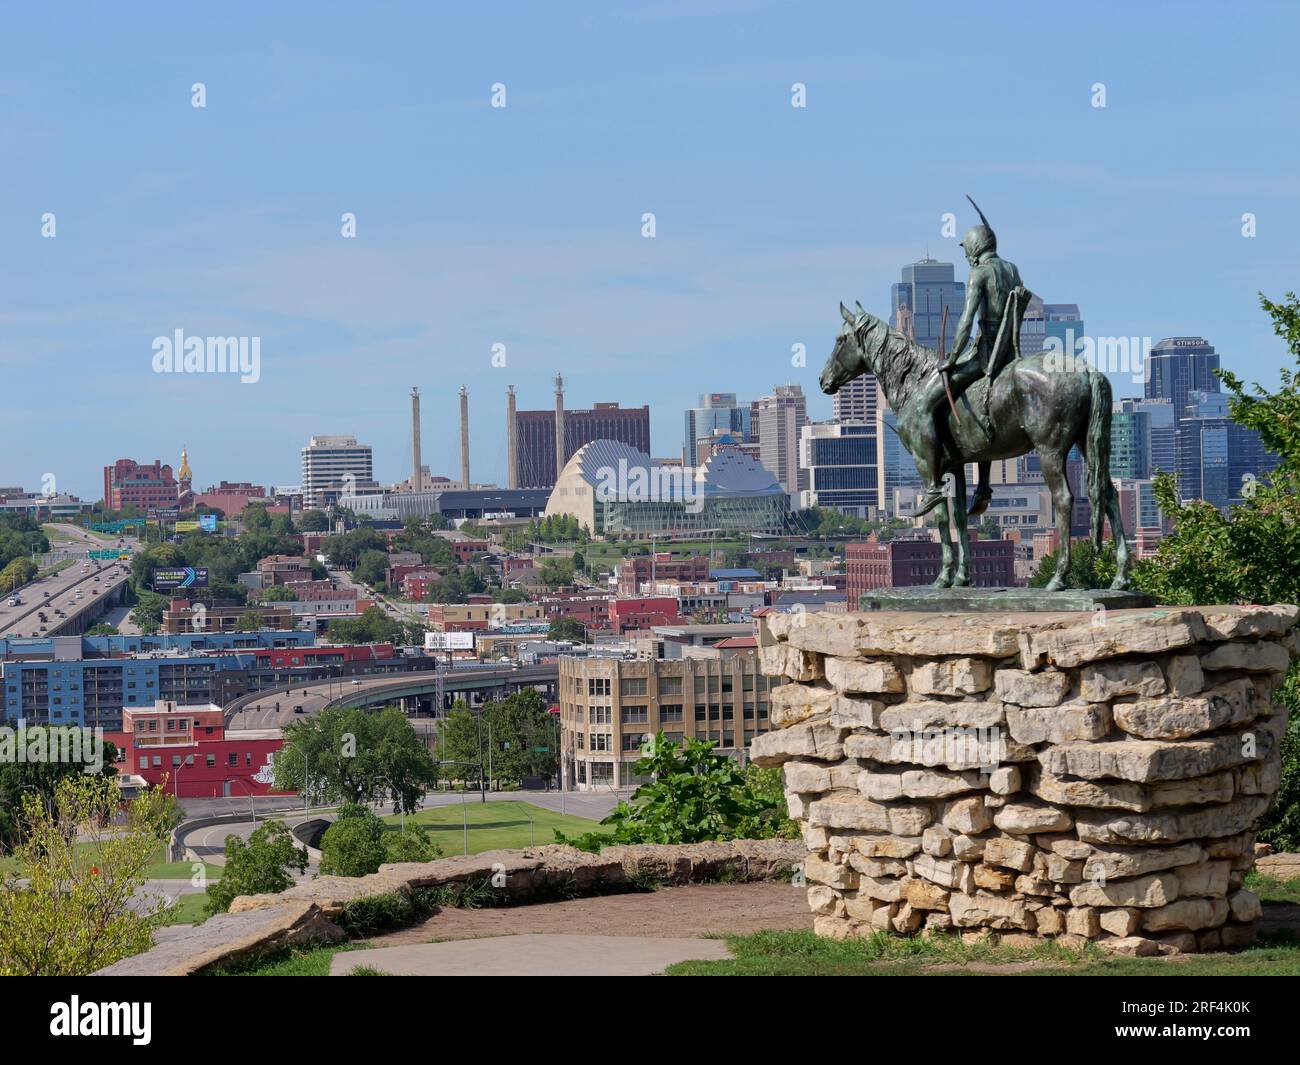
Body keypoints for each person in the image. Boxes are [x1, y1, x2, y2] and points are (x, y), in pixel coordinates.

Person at [912, 198, 1025, 518]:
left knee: (925, 407)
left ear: (975, 247)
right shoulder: (1011, 269)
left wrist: (951, 359)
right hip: (1010, 353)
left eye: (966, 248)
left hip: (985, 354)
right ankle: (984, 486)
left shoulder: (980, 274)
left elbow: (966, 322)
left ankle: (934, 486)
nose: (964, 254)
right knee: (980, 406)